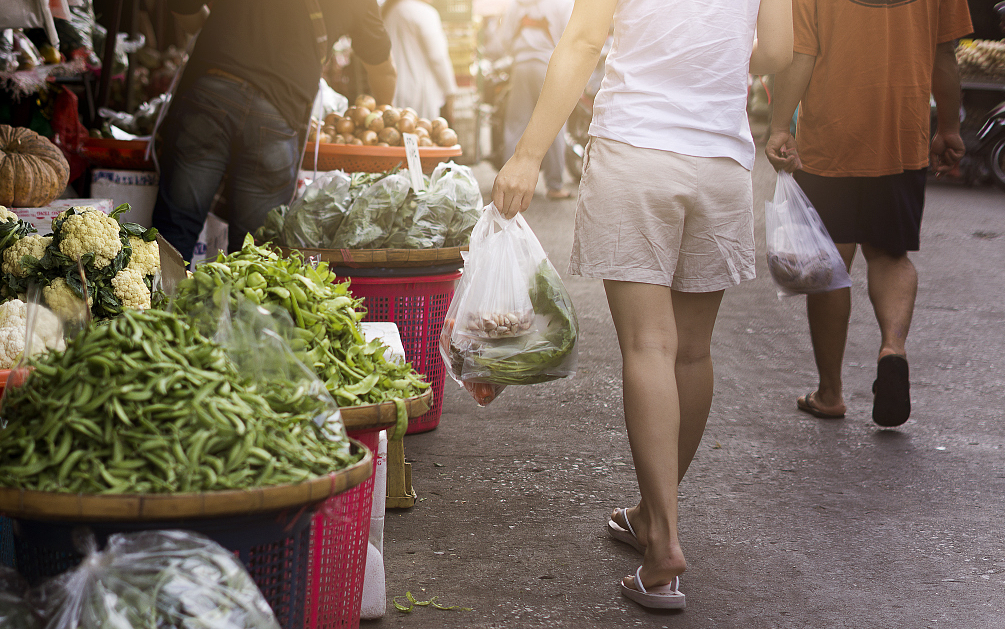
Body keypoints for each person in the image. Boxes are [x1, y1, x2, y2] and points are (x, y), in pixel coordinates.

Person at [492, 0, 792, 609]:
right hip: (722, 160)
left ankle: (664, 545)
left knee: (649, 346)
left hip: (637, 149)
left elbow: (581, 42)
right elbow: (780, 51)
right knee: (691, 353)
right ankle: (651, 517)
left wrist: (527, 155)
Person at [765, 0, 973, 427]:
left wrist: (781, 126)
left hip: (830, 136)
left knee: (830, 262)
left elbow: (801, 53)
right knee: (890, 255)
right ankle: (892, 347)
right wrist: (949, 127)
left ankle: (830, 393)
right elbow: (944, 53)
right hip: (902, 133)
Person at [153, 0, 396, 260]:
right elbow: (384, 70)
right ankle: (234, 301)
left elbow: (182, 6)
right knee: (252, 257)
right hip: (278, 117)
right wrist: (386, 119)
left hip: (211, 95)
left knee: (173, 233)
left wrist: (218, 28)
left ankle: (158, 298)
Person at [486, 0, 575, 200]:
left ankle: (509, 185)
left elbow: (505, 39)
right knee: (554, 124)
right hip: (548, 65)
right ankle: (554, 186)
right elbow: (569, 36)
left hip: (521, 66)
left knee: (516, 124)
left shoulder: (516, 5)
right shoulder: (560, 3)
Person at [381, 0, 458, 123]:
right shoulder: (424, 12)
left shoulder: (390, 11)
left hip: (395, 89)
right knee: (421, 135)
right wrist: (450, 92)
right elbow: (438, 57)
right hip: (420, 93)